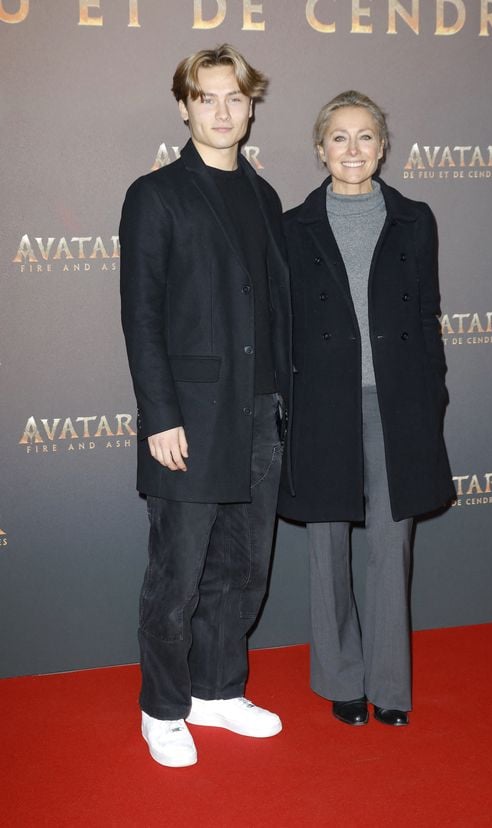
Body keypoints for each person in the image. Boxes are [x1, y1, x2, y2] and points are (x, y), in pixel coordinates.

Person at [120, 44, 292, 767]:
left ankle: (219, 691)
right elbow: (141, 315)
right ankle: (163, 707)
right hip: (188, 418)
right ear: (184, 106)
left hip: (259, 415)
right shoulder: (155, 194)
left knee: (245, 568)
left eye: (235, 97)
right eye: (206, 97)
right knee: (178, 576)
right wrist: (160, 415)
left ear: (252, 106)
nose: (222, 111)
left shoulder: (266, 196)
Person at [278, 91, 455, 728]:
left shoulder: (416, 218)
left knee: (391, 544)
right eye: (339, 138)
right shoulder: (291, 226)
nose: (352, 150)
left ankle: (391, 685)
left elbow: (427, 313)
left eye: (365, 137)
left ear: (383, 147)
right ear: (320, 148)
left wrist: (431, 390)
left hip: (395, 404)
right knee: (327, 547)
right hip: (323, 404)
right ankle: (341, 680)